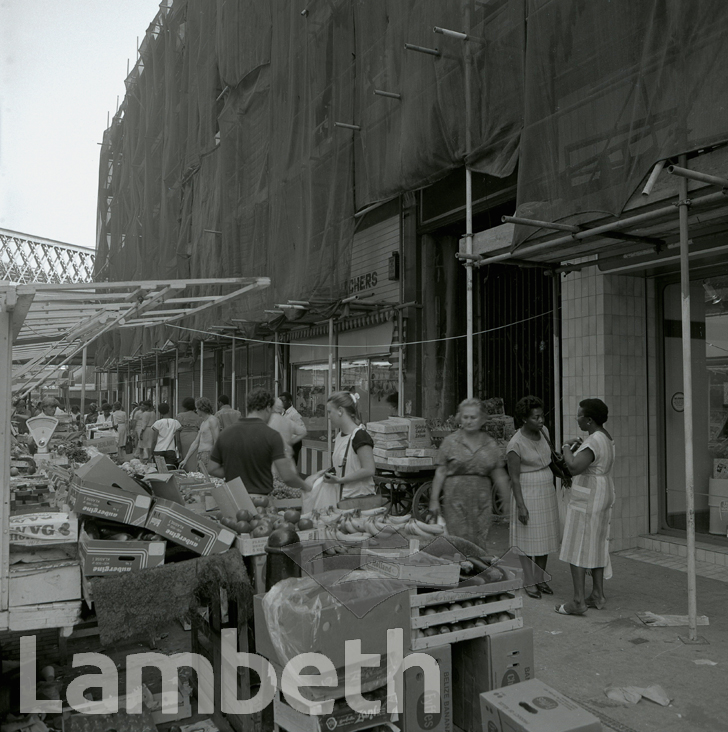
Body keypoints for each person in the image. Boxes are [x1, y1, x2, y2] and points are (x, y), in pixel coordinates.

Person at [556, 398, 615, 616]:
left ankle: (578, 601)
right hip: (602, 494)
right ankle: (597, 594)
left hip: (589, 498)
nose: (577, 418)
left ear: (589, 420)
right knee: (596, 544)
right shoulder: (606, 438)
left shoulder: (594, 441)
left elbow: (573, 467)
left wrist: (565, 447)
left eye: (579, 415)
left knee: (577, 547)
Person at [429, 398, 510, 549]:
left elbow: (499, 474)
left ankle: (477, 570)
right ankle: (459, 570)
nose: (469, 421)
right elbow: (440, 472)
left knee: (479, 540)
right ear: (460, 418)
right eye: (465, 417)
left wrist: (506, 498)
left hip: (481, 501)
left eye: (473, 417)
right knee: (457, 541)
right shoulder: (450, 442)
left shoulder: (490, 444)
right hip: (455, 499)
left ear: (482, 419)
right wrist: (434, 500)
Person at [507, 396, 561, 599]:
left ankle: (539, 578)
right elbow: (514, 478)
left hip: (546, 490)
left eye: (542, 416)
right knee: (527, 539)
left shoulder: (544, 432)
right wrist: (520, 505)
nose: (541, 421)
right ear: (524, 419)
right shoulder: (515, 444)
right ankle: (529, 581)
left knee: (543, 538)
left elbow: (549, 456)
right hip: (527, 492)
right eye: (536, 417)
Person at [208, 387, 308, 496]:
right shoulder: (272, 435)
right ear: (268, 408)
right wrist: (308, 487)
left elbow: (212, 469)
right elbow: (287, 477)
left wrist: (236, 474)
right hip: (261, 501)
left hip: (234, 498)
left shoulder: (226, 433)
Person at [309, 391, 377, 501]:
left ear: (340, 411)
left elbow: (369, 469)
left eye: (330, 412)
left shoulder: (360, 436)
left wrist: (340, 480)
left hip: (360, 499)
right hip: (343, 498)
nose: (329, 417)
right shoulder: (340, 436)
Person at [181, 397, 219, 471]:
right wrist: (185, 459)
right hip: (200, 455)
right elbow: (195, 442)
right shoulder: (203, 423)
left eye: (197, 408)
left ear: (202, 408)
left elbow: (216, 440)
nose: (196, 410)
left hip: (208, 454)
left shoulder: (212, 420)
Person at [176, 397, 204, 472]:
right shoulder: (198, 416)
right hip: (194, 437)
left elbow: (177, 431)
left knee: (184, 458)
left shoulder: (179, 416)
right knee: (193, 459)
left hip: (183, 438)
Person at [280, 391, 307, 465]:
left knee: (291, 465)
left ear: (289, 401)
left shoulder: (294, 414)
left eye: (283, 400)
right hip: (286, 444)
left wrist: (291, 441)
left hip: (293, 444)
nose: (281, 403)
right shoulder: (284, 412)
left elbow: (303, 430)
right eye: (280, 401)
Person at [151, 403, 182, 468]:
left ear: (159, 412)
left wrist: (151, 452)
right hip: (170, 451)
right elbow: (178, 440)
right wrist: (180, 452)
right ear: (169, 410)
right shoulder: (175, 422)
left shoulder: (157, 423)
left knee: (160, 471)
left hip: (158, 450)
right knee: (170, 471)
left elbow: (154, 440)